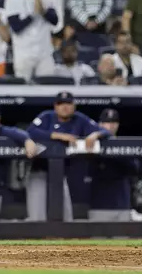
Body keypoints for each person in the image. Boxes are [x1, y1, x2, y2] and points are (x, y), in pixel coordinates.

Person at [26, 91, 111, 221]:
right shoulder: (46, 117)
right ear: (55, 106)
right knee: (36, 216)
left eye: (68, 104)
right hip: (39, 170)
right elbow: (31, 131)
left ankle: (63, 240)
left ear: (74, 106)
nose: (64, 107)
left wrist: (95, 135)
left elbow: (105, 131)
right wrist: (58, 135)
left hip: (60, 174)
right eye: (61, 104)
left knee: (65, 216)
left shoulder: (79, 119)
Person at [3, 0, 57, 81]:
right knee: (22, 87)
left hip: (44, 51)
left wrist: (42, 10)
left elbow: (55, 20)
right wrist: (34, 14)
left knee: (47, 86)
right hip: (23, 52)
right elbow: (16, 27)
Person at [88, 108, 137, 222]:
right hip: (99, 204)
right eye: (107, 122)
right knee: (98, 239)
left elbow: (134, 168)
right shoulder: (91, 144)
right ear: (100, 124)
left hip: (121, 203)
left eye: (114, 122)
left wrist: (117, 153)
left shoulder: (124, 146)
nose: (110, 126)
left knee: (122, 239)